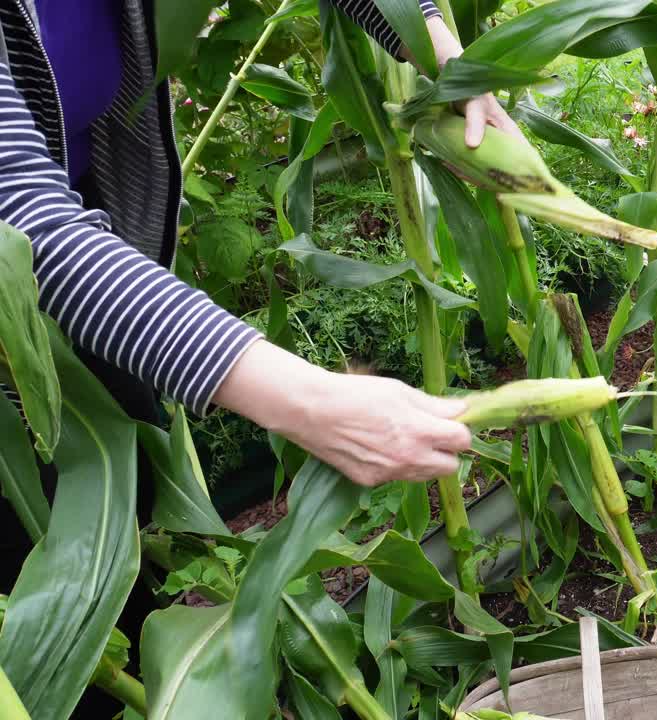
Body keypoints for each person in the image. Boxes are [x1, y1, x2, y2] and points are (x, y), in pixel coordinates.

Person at [0, 0, 522, 489]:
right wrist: (309, 403)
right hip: (35, 250)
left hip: (87, 216)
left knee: (125, 476)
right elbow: (20, 221)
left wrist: (450, 61)